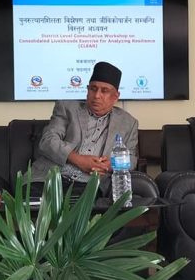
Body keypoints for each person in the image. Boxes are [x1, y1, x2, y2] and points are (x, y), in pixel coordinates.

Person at [31, 61, 137, 193]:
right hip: (49, 178)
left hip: (90, 185)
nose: (97, 95)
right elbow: (48, 141)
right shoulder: (66, 108)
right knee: (35, 203)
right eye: (93, 89)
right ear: (87, 90)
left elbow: (132, 159)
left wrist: (111, 164)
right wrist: (78, 159)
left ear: (115, 97)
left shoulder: (128, 122)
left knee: (84, 204)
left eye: (104, 91)